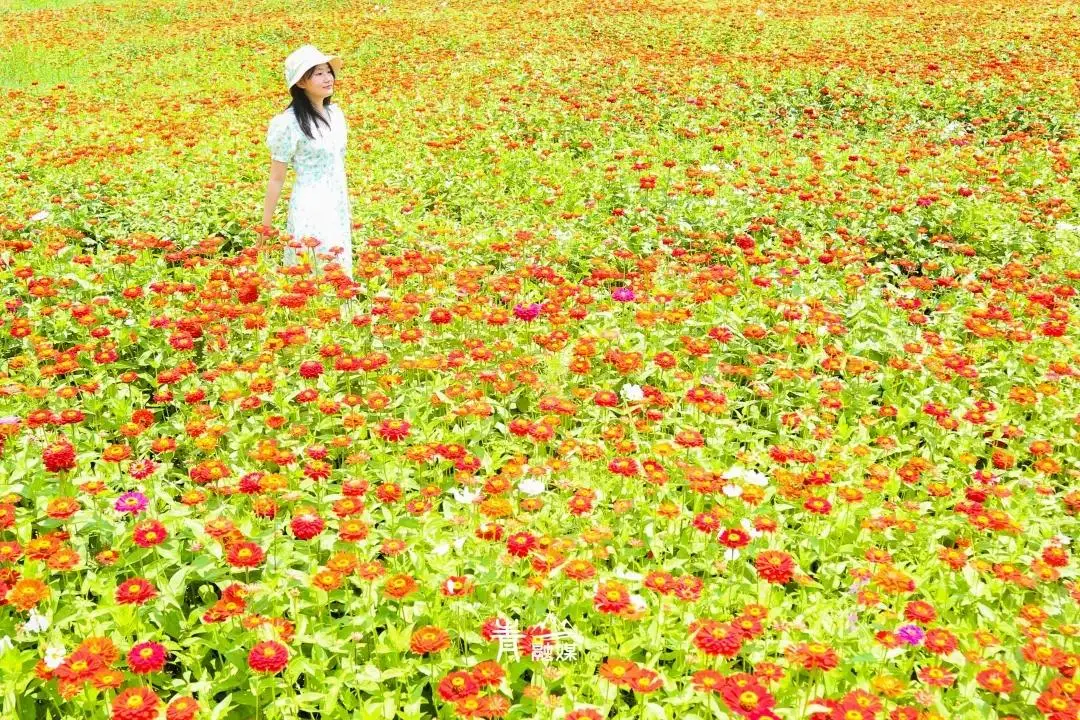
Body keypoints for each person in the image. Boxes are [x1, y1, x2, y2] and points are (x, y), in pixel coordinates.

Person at [261, 45, 353, 278]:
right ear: (301, 83)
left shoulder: (336, 116)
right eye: (318, 73)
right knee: (313, 270)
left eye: (328, 71)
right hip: (310, 206)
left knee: (338, 270)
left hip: (338, 204)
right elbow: (276, 178)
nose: (327, 78)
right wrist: (264, 227)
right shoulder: (287, 123)